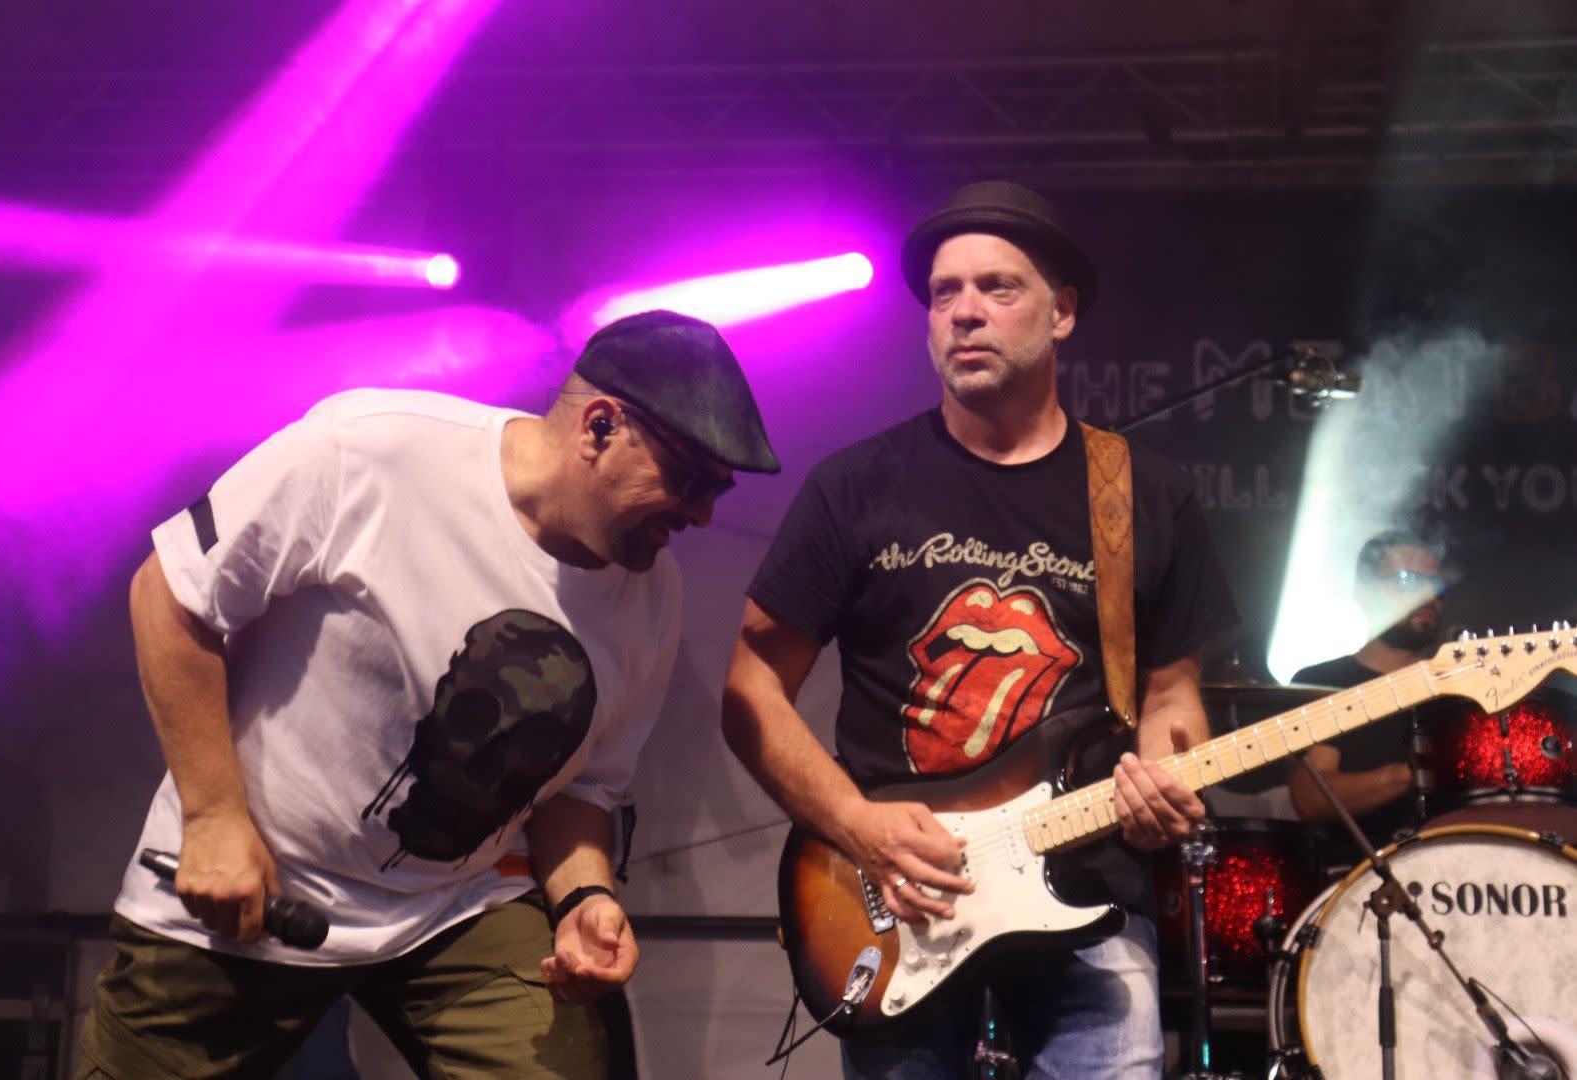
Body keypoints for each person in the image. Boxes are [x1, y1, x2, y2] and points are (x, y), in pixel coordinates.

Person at [79, 309, 780, 1080]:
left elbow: (579, 793)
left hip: (453, 908)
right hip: (259, 881)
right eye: (689, 480)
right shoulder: (372, 451)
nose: (703, 515)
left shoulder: (651, 596)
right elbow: (170, 595)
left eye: (719, 489)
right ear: (600, 427)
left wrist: (584, 897)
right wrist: (213, 819)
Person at [720, 180, 1238, 1079]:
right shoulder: (856, 486)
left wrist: (1163, 784)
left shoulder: (1143, 494)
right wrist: (854, 824)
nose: (964, 312)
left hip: (1087, 887)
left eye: (997, 287)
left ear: (1062, 312)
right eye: (943, 293)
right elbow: (751, 686)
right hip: (901, 896)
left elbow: (1171, 693)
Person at [1287, 527, 1457, 867]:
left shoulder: (1457, 685)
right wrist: (1414, 774)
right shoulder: (1323, 683)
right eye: (1408, 580)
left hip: (1454, 871)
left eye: (1436, 585)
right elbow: (1310, 797)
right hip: (1355, 876)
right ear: (1365, 592)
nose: (1427, 596)